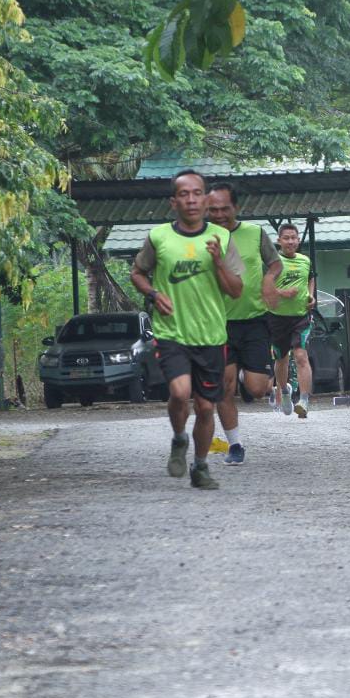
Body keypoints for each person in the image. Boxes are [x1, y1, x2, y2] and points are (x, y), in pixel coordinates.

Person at [130, 170, 243, 490]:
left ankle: (201, 466)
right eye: (184, 194)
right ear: (173, 202)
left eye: (197, 193)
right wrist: (153, 294)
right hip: (172, 332)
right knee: (180, 393)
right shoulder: (159, 237)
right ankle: (180, 438)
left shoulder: (222, 239)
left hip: (210, 335)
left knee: (207, 406)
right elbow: (137, 272)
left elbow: (236, 290)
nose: (191, 200)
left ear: (207, 200)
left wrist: (219, 262)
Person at [207, 182, 282, 464]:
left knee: (257, 388)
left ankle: (243, 375)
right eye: (212, 209)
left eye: (224, 208)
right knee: (222, 388)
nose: (219, 214)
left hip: (254, 321)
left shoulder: (255, 233)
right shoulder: (200, 237)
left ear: (235, 207)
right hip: (218, 323)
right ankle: (235, 444)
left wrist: (268, 280)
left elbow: (275, 263)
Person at [268, 224, 315, 419]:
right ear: (279, 241)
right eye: (286, 238)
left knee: (301, 355)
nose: (290, 241)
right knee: (282, 358)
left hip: (300, 317)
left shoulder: (305, 261)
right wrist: (282, 293)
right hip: (277, 319)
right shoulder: (273, 262)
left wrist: (310, 296)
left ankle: (304, 400)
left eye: (293, 238)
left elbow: (311, 279)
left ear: (298, 240)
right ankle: (284, 393)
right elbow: (263, 288)